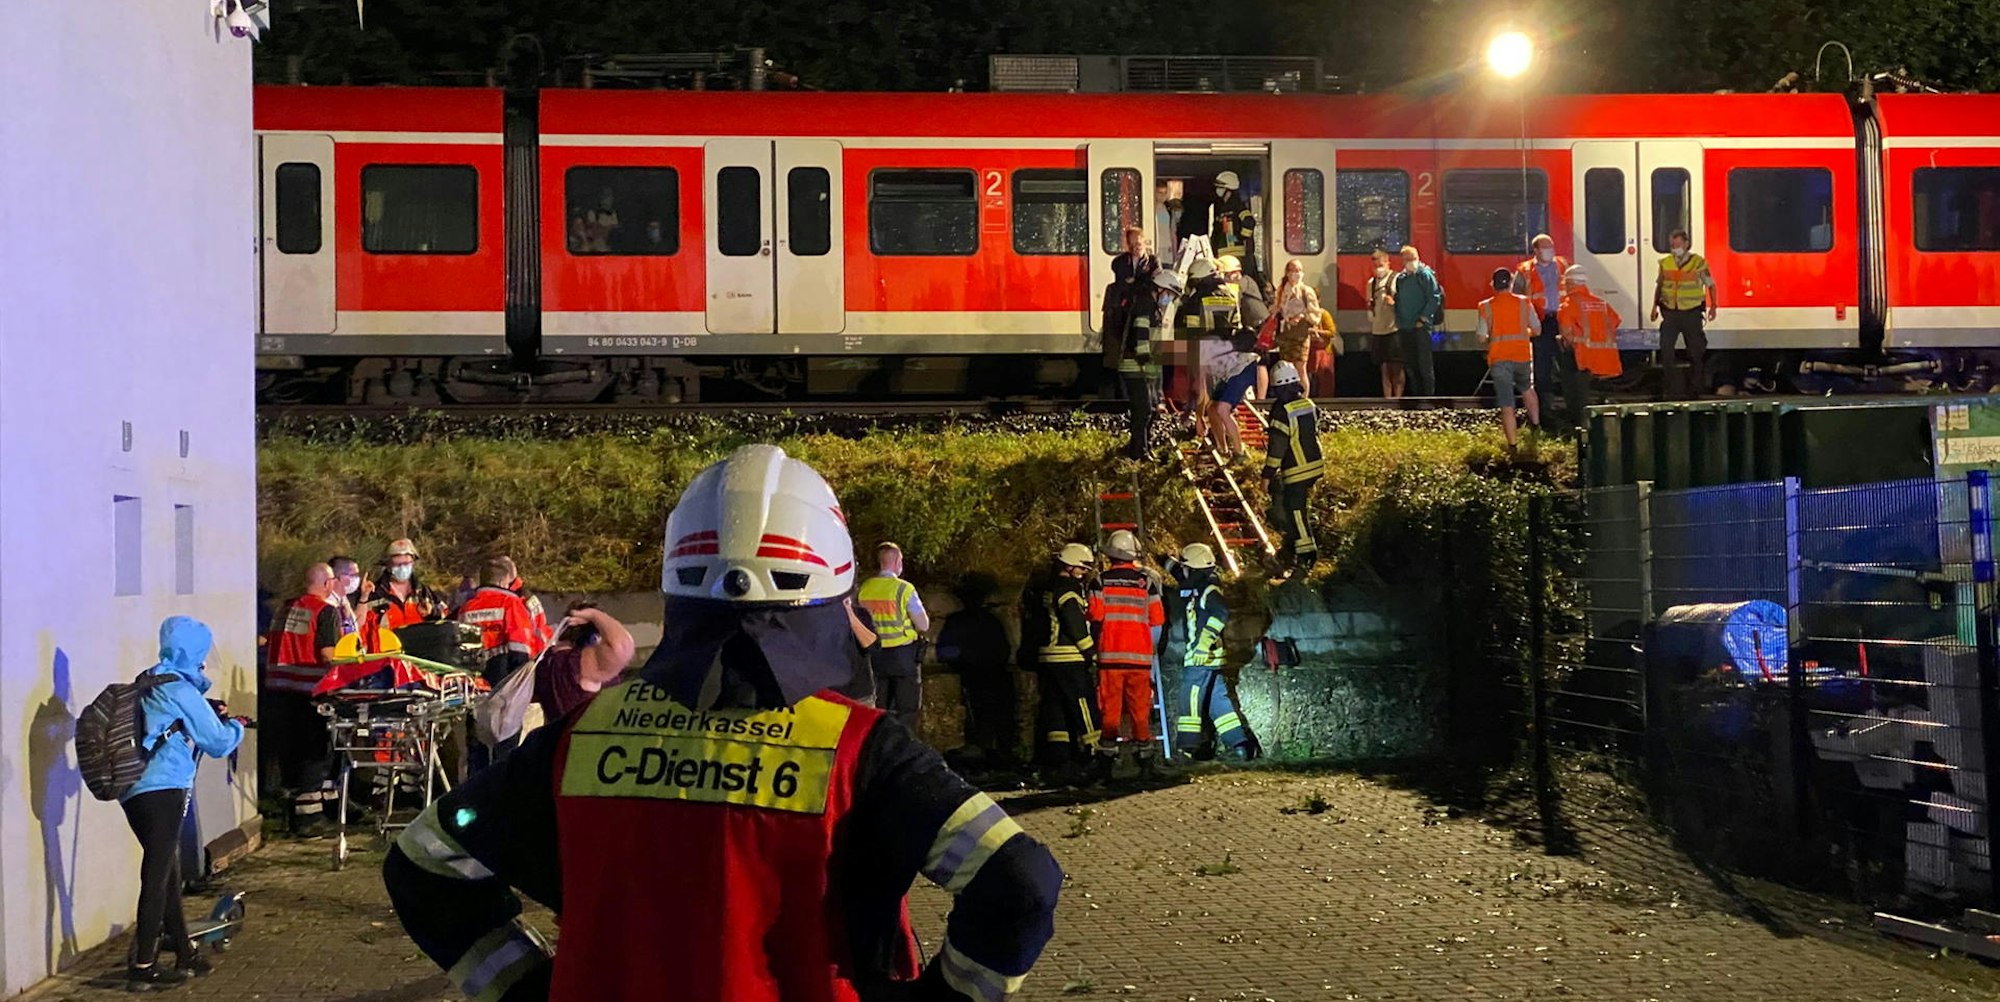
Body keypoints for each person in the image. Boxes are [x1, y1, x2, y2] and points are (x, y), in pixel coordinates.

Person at [383, 444, 1063, 1002]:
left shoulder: (582, 734)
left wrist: (524, 986)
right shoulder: (861, 749)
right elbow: (1019, 881)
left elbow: (426, 862)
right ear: (830, 590)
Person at [121, 616, 248, 989]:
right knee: (157, 875)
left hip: (132, 789)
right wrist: (236, 726)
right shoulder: (180, 689)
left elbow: (164, 719)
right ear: (195, 651)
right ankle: (143, 967)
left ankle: (185, 953)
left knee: (168, 868)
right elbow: (218, 742)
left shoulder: (148, 679)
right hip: (164, 786)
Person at [265, 562, 344, 835]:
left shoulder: (285, 609)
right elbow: (328, 654)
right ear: (328, 584)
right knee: (315, 753)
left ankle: (290, 812)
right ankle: (309, 818)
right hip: (310, 691)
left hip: (277, 690)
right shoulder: (326, 611)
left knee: (290, 753)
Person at [1167, 547, 1259, 761]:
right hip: (1212, 659)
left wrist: (1202, 645)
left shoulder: (1208, 590)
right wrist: (1164, 559)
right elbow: (1180, 574)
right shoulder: (1200, 583)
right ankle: (1240, 746)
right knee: (1219, 703)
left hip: (1201, 658)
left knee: (1189, 700)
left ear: (1195, 568)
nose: (1184, 571)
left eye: (1187, 567)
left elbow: (1221, 614)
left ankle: (1186, 749)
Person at [1088, 529, 1166, 783]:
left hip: (1110, 657)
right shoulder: (1148, 582)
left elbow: (1096, 615)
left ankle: (1106, 766)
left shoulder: (1099, 581)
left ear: (1110, 555)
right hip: (1140, 659)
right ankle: (1145, 764)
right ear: (1133, 555)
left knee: (1110, 712)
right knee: (1139, 712)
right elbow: (1157, 618)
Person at [1022, 544, 1100, 780]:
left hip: (1048, 658)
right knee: (1083, 704)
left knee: (1055, 708)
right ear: (1069, 565)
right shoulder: (1068, 590)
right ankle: (1094, 752)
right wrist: (1091, 654)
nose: (1083, 572)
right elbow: (1074, 625)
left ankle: (1059, 756)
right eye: (1081, 567)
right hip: (1068, 657)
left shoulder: (1046, 589)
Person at [936, 573, 1018, 769]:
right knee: (997, 718)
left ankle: (986, 754)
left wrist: (960, 662)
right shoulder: (991, 620)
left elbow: (945, 651)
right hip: (993, 674)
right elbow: (1004, 649)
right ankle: (998, 755)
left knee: (979, 718)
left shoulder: (958, 621)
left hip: (974, 675)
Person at [858, 541, 930, 736]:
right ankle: (903, 754)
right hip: (903, 657)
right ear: (898, 561)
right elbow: (923, 625)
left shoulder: (865, 588)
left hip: (875, 657)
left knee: (879, 711)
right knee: (907, 711)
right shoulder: (904, 589)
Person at [1262, 362, 1326, 581]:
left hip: (1297, 469)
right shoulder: (1307, 403)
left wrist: (1267, 475)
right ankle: (1290, 547)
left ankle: (1306, 555)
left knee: (1295, 510)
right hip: (1315, 465)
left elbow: (1276, 449)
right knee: (1294, 508)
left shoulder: (1281, 412)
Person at [530, 601, 636, 723]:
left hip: (559, 739)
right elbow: (622, 647)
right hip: (592, 738)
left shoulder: (546, 661)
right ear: (594, 637)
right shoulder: (579, 662)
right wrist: (595, 615)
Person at [1476, 266, 1541, 450]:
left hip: (1499, 359)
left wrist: (1493, 337)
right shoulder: (1524, 302)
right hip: (1521, 355)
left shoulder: (1485, 306)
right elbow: (1537, 330)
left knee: (1506, 402)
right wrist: (1523, 333)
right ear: (1511, 283)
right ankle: (1535, 425)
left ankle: (1512, 445)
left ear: (1492, 285)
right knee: (1527, 389)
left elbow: (1481, 337)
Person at [1514, 234, 1575, 428]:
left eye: (1551, 246)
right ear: (1536, 251)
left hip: (1563, 319)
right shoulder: (1524, 271)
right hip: (1541, 322)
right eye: (1545, 247)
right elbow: (1518, 300)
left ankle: (1571, 407)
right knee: (1542, 367)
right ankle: (1545, 410)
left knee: (1568, 363)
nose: (1550, 250)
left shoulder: (1563, 265)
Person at [1652, 228, 1716, 399]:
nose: (1675, 248)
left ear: (1686, 244)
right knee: (1666, 350)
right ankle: (1670, 389)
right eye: (1672, 245)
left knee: (1696, 352)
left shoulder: (1698, 263)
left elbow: (1710, 284)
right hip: (1671, 312)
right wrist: (1654, 307)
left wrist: (1713, 306)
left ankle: (1695, 389)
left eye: (1678, 244)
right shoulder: (1665, 263)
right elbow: (1659, 286)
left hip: (1691, 312)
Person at [456, 557, 540, 687]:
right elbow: (519, 644)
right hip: (503, 672)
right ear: (502, 581)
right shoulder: (511, 604)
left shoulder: (466, 608)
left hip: (474, 675)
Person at [1558, 265, 1625, 414]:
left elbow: (1566, 332)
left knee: (1576, 394)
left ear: (1570, 283)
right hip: (1604, 358)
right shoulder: (1601, 303)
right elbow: (1615, 321)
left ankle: (1577, 423)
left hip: (1581, 357)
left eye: (1565, 283)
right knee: (1596, 394)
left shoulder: (1568, 304)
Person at [361, 538, 447, 643]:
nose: (403, 568)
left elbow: (447, 620)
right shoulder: (375, 595)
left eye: (406, 563)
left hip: (420, 656)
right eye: (397, 564)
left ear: (413, 562)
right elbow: (362, 631)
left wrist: (432, 613)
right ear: (388, 565)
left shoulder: (424, 593)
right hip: (387, 657)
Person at [1392, 245, 1444, 399]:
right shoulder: (1401, 278)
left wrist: (1423, 318)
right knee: (1410, 364)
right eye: (1407, 259)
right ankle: (1416, 396)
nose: (1410, 262)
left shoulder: (1425, 275)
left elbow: (1434, 297)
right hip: (1405, 326)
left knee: (1424, 364)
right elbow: (1399, 299)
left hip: (1421, 327)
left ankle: (1428, 397)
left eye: (1412, 258)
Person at [1272, 260, 1323, 396]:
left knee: (1300, 367)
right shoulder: (1282, 290)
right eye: (1293, 270)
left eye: (1299, 270)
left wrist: (1301, 316)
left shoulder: (1306, 291)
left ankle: (1304, 398)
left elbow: (1315, 313)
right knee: (1287, 367)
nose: (1297, 273)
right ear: (1287, 273)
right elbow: (1276, 309)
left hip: (1300, 334)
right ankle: (1289, 396)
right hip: (1285, 334)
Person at [1368, 248, 1404, 398]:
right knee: (1384, 367)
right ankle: (1387, 399)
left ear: (1388, 263)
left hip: (1395, 329)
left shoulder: (1397, 279)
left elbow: (1405, 304)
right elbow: (1370, 306)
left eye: (1381, 264)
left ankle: (1398, 398)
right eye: (1375, 266)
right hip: (1378, 330)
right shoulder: (1371, 283)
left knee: (1397, 367)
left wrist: (1395, 303)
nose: (1378, 269)